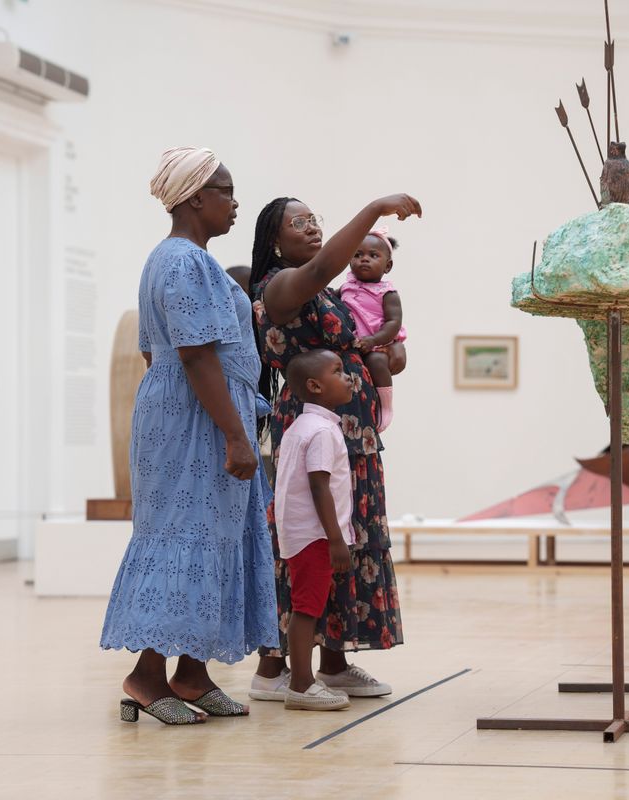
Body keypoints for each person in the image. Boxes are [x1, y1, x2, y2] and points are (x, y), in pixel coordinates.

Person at [100, 146, 278, 725]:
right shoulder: (182, 263)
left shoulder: (187, 261)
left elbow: (157, 352)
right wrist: (234, 434)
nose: (233, 203)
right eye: (225, 191)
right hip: (196, 422)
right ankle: (147, 676)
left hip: (196, 413)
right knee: (184, 539)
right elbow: (196, 356)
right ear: (196, 198)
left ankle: (194, 675)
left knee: (216, 541)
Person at [246, 192, 421, 702]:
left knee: (347, 537)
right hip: (314, 427)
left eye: (313, 219)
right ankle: (275, 667)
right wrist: (375, 209)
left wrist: (384, 357)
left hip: (353, 431)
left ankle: (334, 660)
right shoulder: (279, 287)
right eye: (298, 223)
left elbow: (358, 342)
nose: (312, 227)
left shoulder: (328, 294)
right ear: (275, 243)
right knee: (309, 542)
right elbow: (325, 265)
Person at [274, 350, 357, 710]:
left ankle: (302, 681)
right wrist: (336, 538)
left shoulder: (301, 426)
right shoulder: (322, 431)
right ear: (315, 386)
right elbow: (319, 485)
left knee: (306, 605)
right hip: (315, 535)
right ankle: (302, 685)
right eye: (338, 371)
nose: (349, 376)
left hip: (302, 532)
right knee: (306, 608)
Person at [340, 229, 406, 431]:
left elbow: (393, 323)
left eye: (373, 255)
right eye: (358, 255)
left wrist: (374, 340)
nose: (364, 260)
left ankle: (385, 406)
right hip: (356, 347)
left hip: (379, 344)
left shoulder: (387, 292)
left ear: (388, 266)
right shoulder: (346, 287)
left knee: (376, 362)